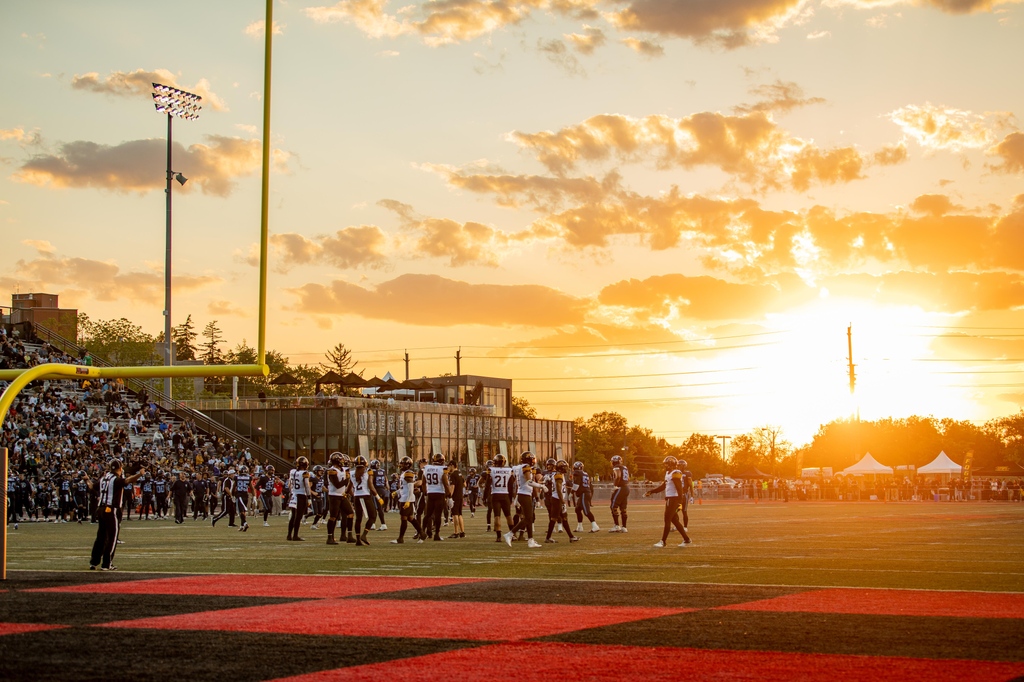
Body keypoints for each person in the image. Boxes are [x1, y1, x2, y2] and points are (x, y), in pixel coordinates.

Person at [90, 459, 145, 571]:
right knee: (112, 537)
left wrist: (86, 479)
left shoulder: (103, 478)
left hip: (100, 509)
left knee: (101, 537)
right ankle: (106, 564)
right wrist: (139, 474)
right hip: (111, 509)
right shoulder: (116, 479)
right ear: (120, 468)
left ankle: (94, 562)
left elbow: (91, 487)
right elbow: (128, 480)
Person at [644, 456, 691, 548]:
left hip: (674, 499)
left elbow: (679, 488)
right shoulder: (668, 473)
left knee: (667, 519)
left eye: (666, 464)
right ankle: (686, 539)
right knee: (674, 520)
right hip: (670, 498)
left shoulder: (675, 473)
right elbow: (663, 486)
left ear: (670, 464)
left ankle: (663, 541)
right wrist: (652, 491)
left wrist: (679, 501)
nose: (665, 466)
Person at [505, 452, 545, 548]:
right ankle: (510, 534)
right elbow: (529, 481)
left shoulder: (518, 467)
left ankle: (530, 540)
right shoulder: (526, 467)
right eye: (532, 459)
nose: (533, 461)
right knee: (528, 518)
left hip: (523, 493)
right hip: (525, 494)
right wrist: (541, 486)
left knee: (529, 518)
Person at [390, 456, 424, 544]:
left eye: (402, 464)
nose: (400, 465)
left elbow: (410, 487)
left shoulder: (408, 473)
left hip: (406, 498)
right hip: (404, 497)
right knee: (410, 518)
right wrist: (397, 492)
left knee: (404, 518)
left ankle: (400, 538)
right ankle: (422, 533)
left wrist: (408, 500)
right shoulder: (404, 473)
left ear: (407, 464)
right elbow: (403, 488)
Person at [351, 455, 383, 546]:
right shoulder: (368, 472)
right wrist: (378, 497)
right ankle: (364, 535)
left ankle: (358, 539)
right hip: (365, 496)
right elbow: (371, 486)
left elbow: (349, 488)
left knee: (358, 519)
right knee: (373, 516)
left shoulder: (352, 473)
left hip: (356, 497)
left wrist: (351, 495)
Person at [545, 460, 578, 544]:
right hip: (557, 499)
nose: (566, 469)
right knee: (554, 519)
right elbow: (559, 489)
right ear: (561, 468)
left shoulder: (560, 474)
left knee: (564, 518)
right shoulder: (558, 475)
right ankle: (548, 537)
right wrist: (562, 501)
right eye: (565, 467)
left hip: (557, 499)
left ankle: (571, 537)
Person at [325, 452, 354, 545]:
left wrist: (352, 493)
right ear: (336, 461)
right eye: (341, 460)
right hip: (334, 496)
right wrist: (348, 480)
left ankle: (349, 536)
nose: (343, 461)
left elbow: (345, 485)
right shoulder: (332, 471)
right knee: (333, 517)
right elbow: (337, 484)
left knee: (350, 513)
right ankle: (330, 537)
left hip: (342, 495)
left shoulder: (343, 470)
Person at [488, 454, 514, 543]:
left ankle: (498, 537)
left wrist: (485, 496)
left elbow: (488, 484)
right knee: (508, 515)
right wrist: (511, 497)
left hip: (495, 494)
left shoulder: (491, 470)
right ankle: (512, 535)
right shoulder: (509, 470)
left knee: (497, 516)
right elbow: (511, 486)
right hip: (505, 494)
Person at [571, 460, 600, 533]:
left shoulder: (577, 473)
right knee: (577, 509)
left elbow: (576, 485)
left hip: (584, 493)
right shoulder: (585, 473)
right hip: (585, 493)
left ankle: (595, 526)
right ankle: (580, 527)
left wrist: (571, 492)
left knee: (586, 511)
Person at [286, 457, 311, 541]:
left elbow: (289, 484)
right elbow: (307, 486)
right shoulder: (305, 473)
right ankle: (295, 535)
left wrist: (292, 492)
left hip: (293, 494)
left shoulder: (292, 472)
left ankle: (289, 535)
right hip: (301, 495)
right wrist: (309, 497)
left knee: (293, 516)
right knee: (298, 516)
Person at [609, 454, 630, 533]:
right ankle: (624, 527)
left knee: (613, 506)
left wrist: (615, 486)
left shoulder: (617, 467)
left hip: (620, 488)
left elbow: (618, 476)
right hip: (626, 487)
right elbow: (628, 478)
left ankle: (617, 526)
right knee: (623, 508)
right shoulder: (625, 467)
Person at [447, 460, 466, 539]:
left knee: (454, 514)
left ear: (452, 465)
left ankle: (456, 532)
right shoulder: (460, 474)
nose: (448, 468)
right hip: (460, 495)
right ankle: (462, 532)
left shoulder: (453, 474)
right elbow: (465, 484)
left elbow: (452, 487)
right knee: (460, 514)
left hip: (455, 496)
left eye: (449, 466)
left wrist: (449, 496)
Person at [234, 464, 254, 532]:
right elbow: (251, 487)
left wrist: (232, 495)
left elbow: (234, 486)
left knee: (241, 511)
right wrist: (254, 496)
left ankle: (245, 523)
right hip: (246, 494)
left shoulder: (237, 477)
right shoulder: (249, 477)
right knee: (243, 511)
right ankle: (242, 526)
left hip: (239, 494)